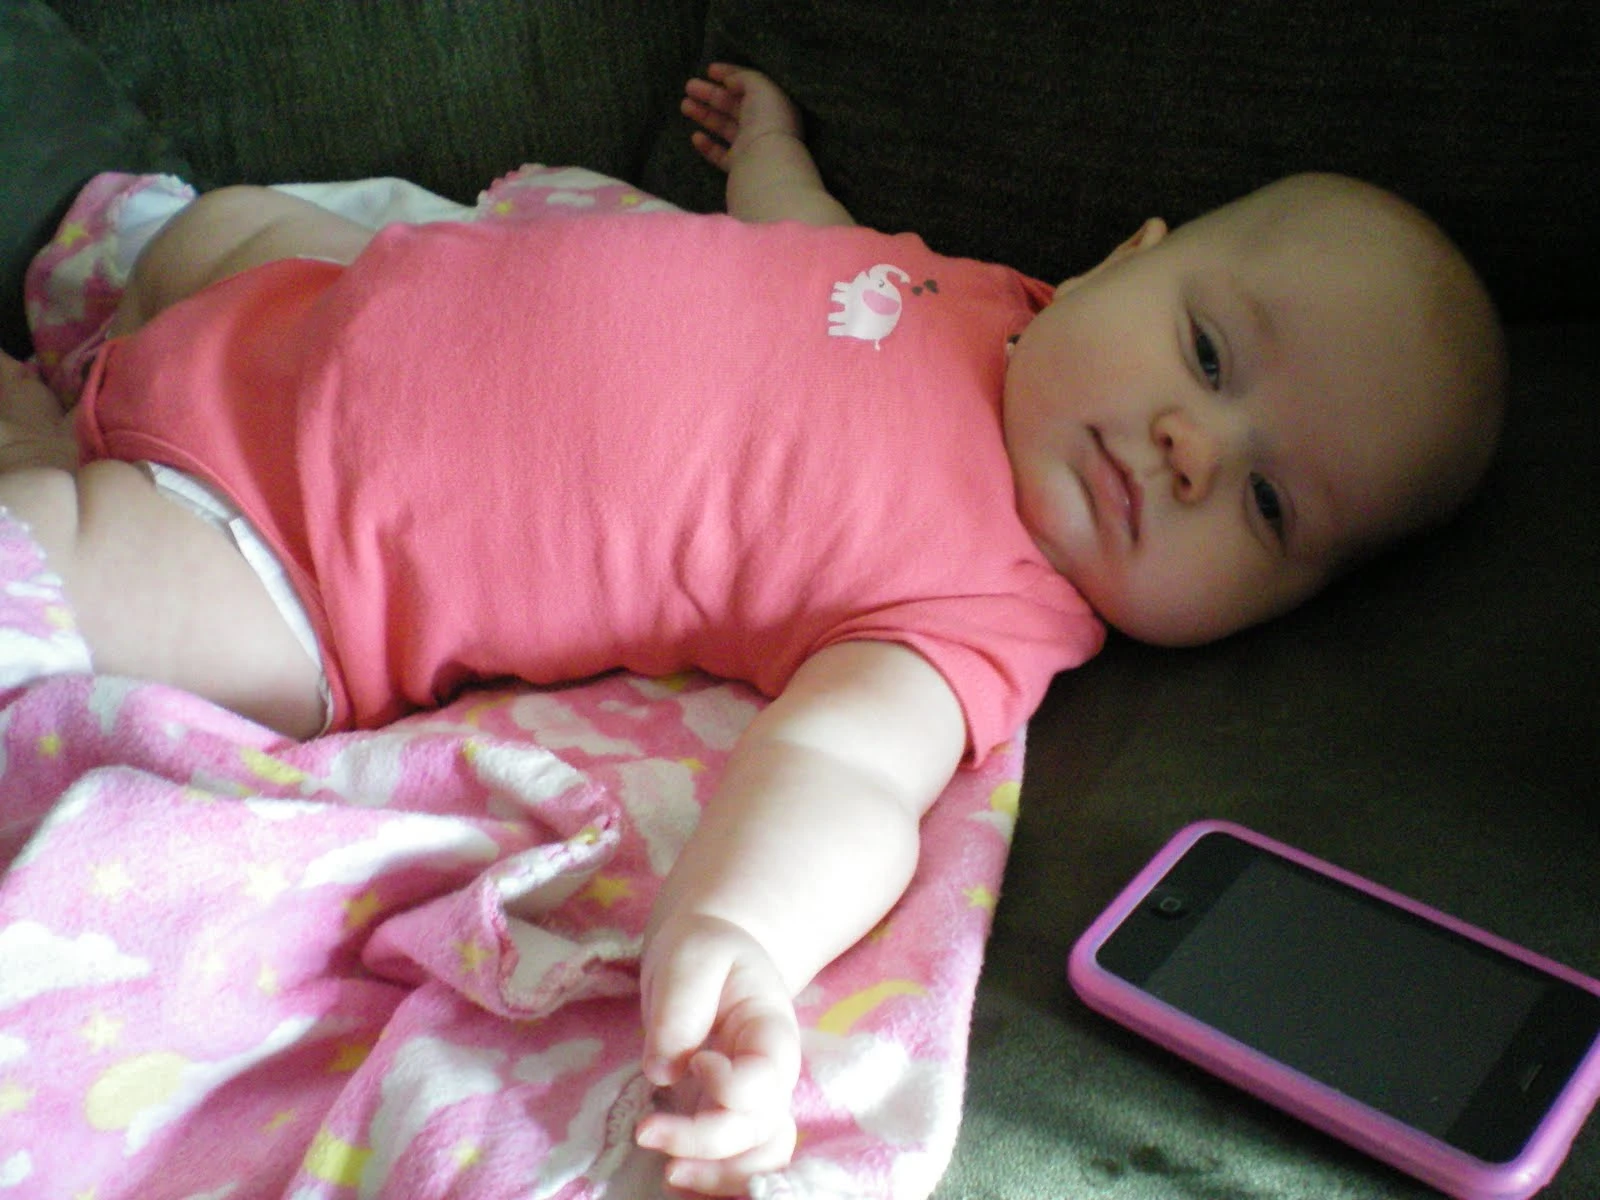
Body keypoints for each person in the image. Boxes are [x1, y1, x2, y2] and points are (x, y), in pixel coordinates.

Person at [0, 62, 1504, 1196]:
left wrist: (738, 943)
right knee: (184, 229)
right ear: (1125, 259)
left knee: (53, 575)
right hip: (306, 296)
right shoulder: (974, 294)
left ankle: (40, 454)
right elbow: (807, 244)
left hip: (289, 556)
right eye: (1208, 350)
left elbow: (847, 775)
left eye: (1265, 508)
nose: (1190, 446)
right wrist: (773, 151)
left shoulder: (984, 611)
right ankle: (81, 363)